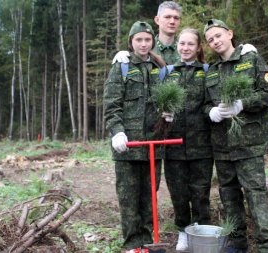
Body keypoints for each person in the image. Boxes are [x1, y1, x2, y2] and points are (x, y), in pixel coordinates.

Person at [203, 19, 268, 253]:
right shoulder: (211, 71)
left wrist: (243, 104)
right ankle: (237, 242)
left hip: (249, 143)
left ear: (230, 34)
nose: (215, 41)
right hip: (222, 146)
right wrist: (211, 112)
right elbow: (203, 105)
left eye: (218, 35)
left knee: (256, 194)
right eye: (210, 40)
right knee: (228, 194)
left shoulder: (250, 59)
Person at [103, 21, 166, 253]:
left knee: (149, 199)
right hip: (127, 147)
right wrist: (117, 131)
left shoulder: (160, 69)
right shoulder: (121, 66)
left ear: (153, 42)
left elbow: (167, 102)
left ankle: (147, 243)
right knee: (129, 200)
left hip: (153, 146)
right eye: (138, 39)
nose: (143, 44)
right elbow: (111, 105)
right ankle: (132, 245)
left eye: (147, 39)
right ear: (131, 42)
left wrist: (167, 116)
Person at [162, 28, 213, 251]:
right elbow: (157, 99)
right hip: (173, 146)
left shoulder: (208, 71)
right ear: (177, 46)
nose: (185, 48)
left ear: (198, 47)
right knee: (179, 193)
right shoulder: (167, 71)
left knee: (201, 193)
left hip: (202, 145)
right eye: (182, 44)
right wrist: (163, 113)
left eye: (190, 44)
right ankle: (183, 230)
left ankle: (201, 233)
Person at [112, 1, 182, 65]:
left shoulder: (186, 50)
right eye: (167, 17)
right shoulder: (145, 47)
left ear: (180, 21)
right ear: (157, 20)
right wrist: (124, 55)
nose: (172, 21)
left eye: (176, 18)